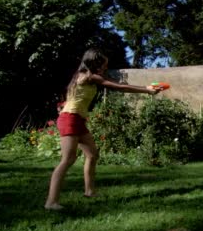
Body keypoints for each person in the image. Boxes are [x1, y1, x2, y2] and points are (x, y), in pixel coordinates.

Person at [44, 48, 163, 210]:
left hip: (77, 119)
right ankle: (51, 202)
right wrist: (146, 90)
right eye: (103, 65)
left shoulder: (83, 76)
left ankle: (90, 191)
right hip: (69, 119)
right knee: (67, 160)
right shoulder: (89, 76)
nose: (105, 68)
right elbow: (118, 87)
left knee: (92, 155)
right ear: (95, 63)